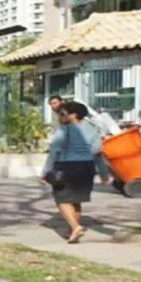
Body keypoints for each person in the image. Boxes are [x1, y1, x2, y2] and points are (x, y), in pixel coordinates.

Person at [43, 100, 100, 243]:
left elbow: (54, 151)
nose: (59, 118)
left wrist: (46, 171)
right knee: (75, 199)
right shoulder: (93, 128)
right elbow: (98, 150)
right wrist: (104, 173)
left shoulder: (65, 129)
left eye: (62, 114)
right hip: (87, 166)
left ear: (73, 115)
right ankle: (71, 229)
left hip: (67, 166)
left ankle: (75, 227)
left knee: (61, 199)